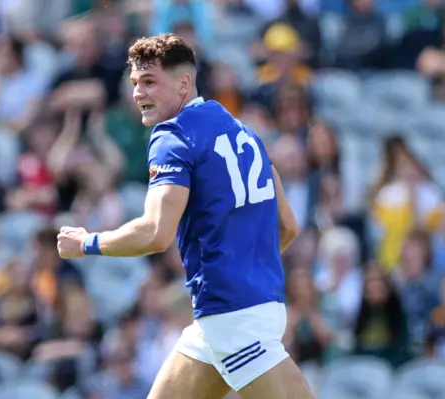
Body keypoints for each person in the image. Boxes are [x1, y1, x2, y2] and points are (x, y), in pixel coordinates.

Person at [57, 34, 311, 399]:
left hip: (231, 314)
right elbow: (288, 226)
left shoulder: (173, 136)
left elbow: (156, 234)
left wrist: (86, 243)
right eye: (134, 84)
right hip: (241, 310)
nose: (138, 94)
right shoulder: (246, 133)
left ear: (183, 83)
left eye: (149, 82)